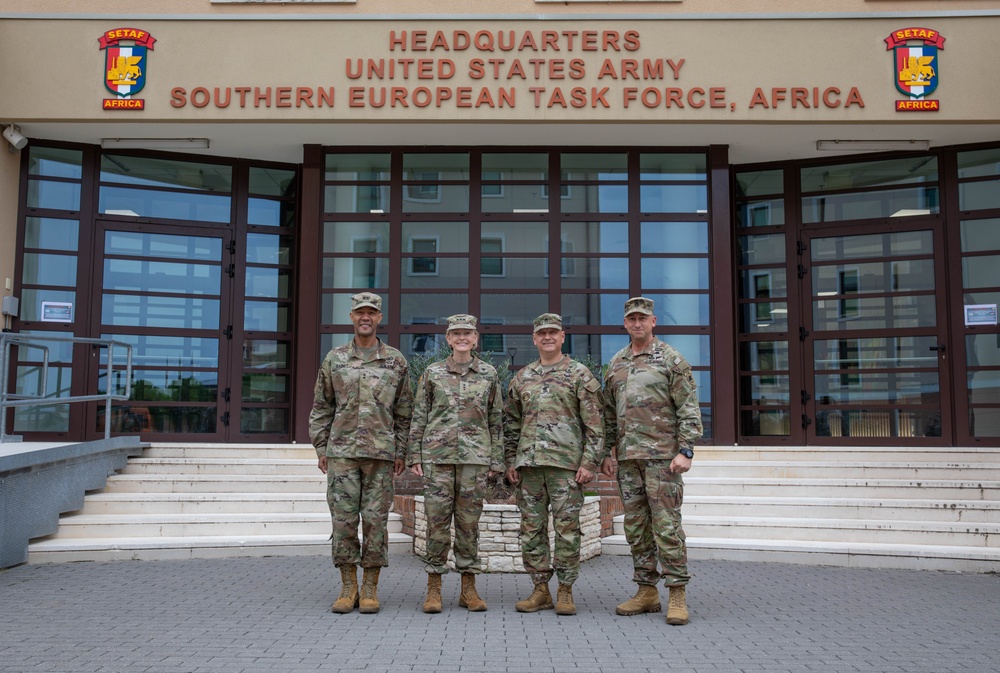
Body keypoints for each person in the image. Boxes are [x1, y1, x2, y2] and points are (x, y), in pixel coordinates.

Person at [308, 291, 413, 615]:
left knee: (375, 522)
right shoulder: (335, 358)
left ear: (379, 317)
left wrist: (401, 451)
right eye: (359, 312)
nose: (365, 317)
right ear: (352, 317)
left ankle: (369, 588)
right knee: (343, 521)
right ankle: (347, 586)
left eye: (371, 312)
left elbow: (406, 411)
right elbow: (322, 406)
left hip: (380, 456)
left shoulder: (395, 360)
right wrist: (321, 446)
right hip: (342, 453)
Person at [602, 297, 703, 626]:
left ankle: (676, 592)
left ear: (653, 321)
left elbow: (688, 406)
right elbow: (607, 414)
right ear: (626, 323)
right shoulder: (617, 363)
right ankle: (646, 590)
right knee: (636, 528)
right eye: (631, 318)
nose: (637, 324)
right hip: (629, 459)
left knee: (667, 527)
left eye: (642, 318)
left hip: (663, 459)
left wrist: (686, 450)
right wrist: (607, 451)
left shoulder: (671, 359)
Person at [504, 313, 605, 616]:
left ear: (563, 337)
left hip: (566, 468)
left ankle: (565, 590)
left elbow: (596, 425)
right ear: (534, 339)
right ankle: (540, 590)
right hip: (530, 468)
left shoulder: (579, 374)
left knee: (567, 531)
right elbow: (510, 424)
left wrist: (589, 463)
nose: (547, 337)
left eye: (553, 333)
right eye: (542, 333)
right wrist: (510, 460)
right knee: (531, 530)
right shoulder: (522, 377)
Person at [407, 314, 503, 613]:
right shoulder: (432, 373)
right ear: (448, 339)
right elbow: (419, 414)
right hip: (438, 459)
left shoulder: (489, 374)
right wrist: (414, 454)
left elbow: (497, 419)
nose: (462, 338)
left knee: (469, 525)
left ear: (476, 339)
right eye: (456, 333)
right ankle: (434, 588)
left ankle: (468, 589)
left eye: (468, 333)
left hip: (475, 460)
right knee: (436, 524)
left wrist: (497, 460)